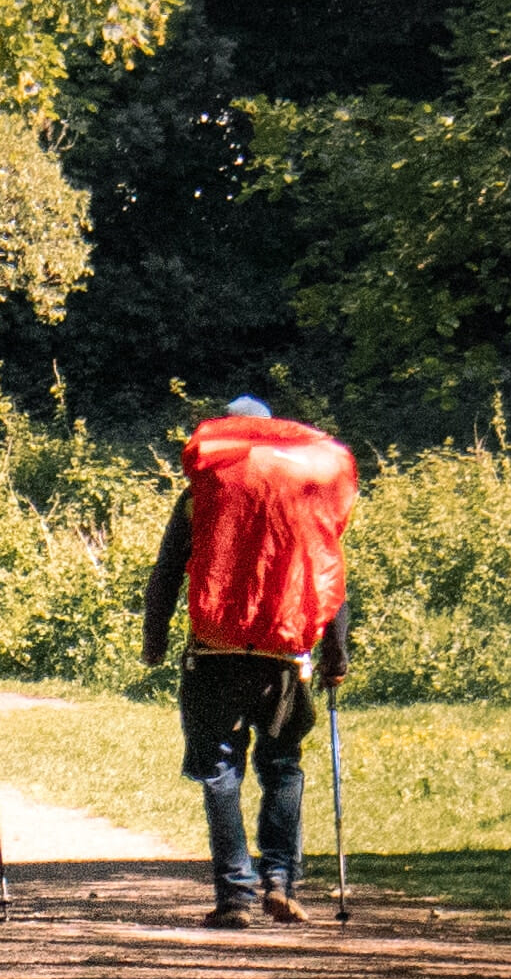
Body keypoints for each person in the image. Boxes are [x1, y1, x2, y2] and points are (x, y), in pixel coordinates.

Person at [140, 396, 361, 928]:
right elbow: (327, 578)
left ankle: (235, 894)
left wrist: (154, 640)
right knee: (282, 765)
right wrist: (336, 654)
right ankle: (281, 881)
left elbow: (168, 572)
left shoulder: (202, 494)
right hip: (284, 653)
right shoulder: (307, 494)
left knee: (220, 769)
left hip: (214, 650)